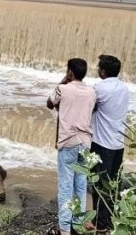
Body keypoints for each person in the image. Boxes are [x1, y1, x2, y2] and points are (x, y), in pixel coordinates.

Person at [46, 58, 96, 235]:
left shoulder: (63, 89)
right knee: (81, 185)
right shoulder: (91, 92)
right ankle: (78, 222)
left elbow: (50, 102)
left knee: (66, 186)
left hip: (68, 142)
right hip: (85, 142)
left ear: (70, 72)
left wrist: (64, 81)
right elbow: (94, 109)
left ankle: (65, 229)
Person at [90, 54, 131, 233]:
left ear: (103, 71)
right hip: (118, 143)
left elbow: (90, 107)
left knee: (99, 185)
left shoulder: (99, 88)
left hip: (101, 143)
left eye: (99, 67)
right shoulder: (124, 88)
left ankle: (100, 224)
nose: (98, 69)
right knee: (113, 183)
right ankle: (110, 219)